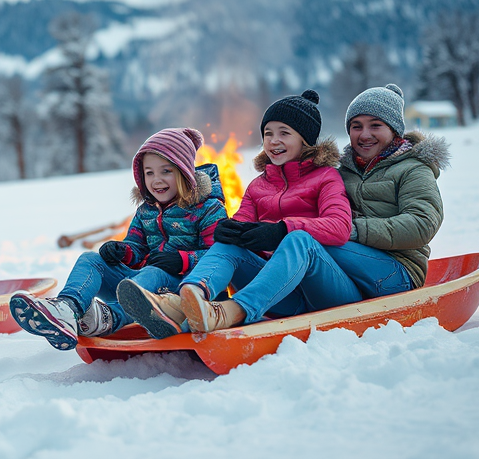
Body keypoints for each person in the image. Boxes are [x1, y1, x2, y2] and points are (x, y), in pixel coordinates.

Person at [124, 90, 356, 335]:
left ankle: (231, 310)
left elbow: (340, 227)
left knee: (298, 240)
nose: (274, 141)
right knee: (227, 243)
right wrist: (231, 229)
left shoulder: (326, 177)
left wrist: (281, 230)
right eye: (268, 134)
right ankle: (189, 300)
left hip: (325, 292)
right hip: (277, 296)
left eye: (284, 133)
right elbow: (241, 225)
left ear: (305, 140)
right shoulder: (258, 186)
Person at [9, 127, 226, 349]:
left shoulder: (208, 208)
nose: (156, 180)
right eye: (149, 173)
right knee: (90, 259)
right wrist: (122, 251)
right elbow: (136, 246)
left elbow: (220, 257)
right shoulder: (146, 211)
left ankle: (109, 316)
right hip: (139, 287)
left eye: (166, 171)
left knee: (153, 272)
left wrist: (182, 260)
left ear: (184, 171)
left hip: (183, 293)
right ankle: (67, 308)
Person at [323, 83, 449, 300]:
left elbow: (421, 223)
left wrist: (352, 230)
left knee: (312, 244)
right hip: (351, 269)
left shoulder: (413, 168)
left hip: (399, 271)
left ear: (394, 130)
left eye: (375, 125)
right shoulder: (342, 173)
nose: (364, 135)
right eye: (356, 126)